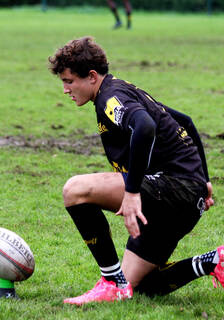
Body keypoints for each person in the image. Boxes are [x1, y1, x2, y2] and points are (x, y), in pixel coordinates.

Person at [48, 36, 223, 305]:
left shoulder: (110, 98)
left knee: (75, 190)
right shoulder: (121, 89)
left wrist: (131, 193)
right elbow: (184, 121)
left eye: (69, 81)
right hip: (185, 194)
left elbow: (144, 127)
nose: (65, 89)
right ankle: (213, 261)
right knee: (139, 288)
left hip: (173, 189)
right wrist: (204, 180)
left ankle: (110, 282)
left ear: (92, 76)